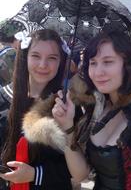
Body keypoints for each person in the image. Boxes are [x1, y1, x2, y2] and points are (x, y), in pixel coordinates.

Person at [52, 28, 131, 190]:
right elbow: (80, 175)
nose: (98, 72)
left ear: (128, 65)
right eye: (93, 63)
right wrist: (67, 126)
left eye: (108, 62)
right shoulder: (99, 109)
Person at [0, 29, 75, 190]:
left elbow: (77, 169)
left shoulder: (66, 105)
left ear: (61, 62)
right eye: (35, 56)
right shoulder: (3, 98)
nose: (43, 65)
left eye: (52, 58)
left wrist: (35, 174)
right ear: (24, 57)